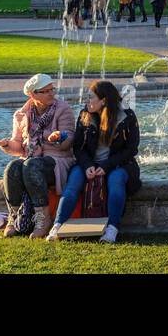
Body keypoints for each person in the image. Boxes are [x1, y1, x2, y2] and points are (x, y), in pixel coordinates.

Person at [48, 79, 142, 243]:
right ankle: (57, 226)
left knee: (116, 181)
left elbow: (131, 149)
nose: (87, 101)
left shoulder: (127, 116)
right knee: (72, 185)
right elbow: (78, 147)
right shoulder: (85, 114)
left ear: (103, 100)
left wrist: (107, 165)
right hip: (88, 163)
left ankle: (112, 229)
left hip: (118, 164)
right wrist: (87, 165)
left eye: (91, 97)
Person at [0, 73, 76, 238]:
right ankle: (15, 216)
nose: (51, 93)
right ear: (33, 94)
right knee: (12, 167)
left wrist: (57, 137)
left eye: (52, 89)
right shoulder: (21, 114)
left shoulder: (63, 109)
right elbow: (18, 146)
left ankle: (43, 218)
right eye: (46, 91)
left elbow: (69, 141)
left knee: (30, 165)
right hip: (31, 159)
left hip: (57, 160)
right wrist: (3, 144)